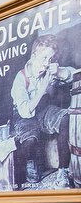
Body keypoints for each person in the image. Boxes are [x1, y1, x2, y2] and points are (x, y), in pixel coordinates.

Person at [9, 35, 77, 185]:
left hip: (44, 111)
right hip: (24, 116)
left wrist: (59, 72)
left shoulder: (48, 71)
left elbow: (76, 74)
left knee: (65, 117)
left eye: (50, 59)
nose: (47, 63)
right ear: (33, 56)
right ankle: (30, 163)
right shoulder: (21, 78)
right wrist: (44, 86)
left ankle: (63, 171)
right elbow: (25, 111)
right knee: (30, 140)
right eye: (44, 58)